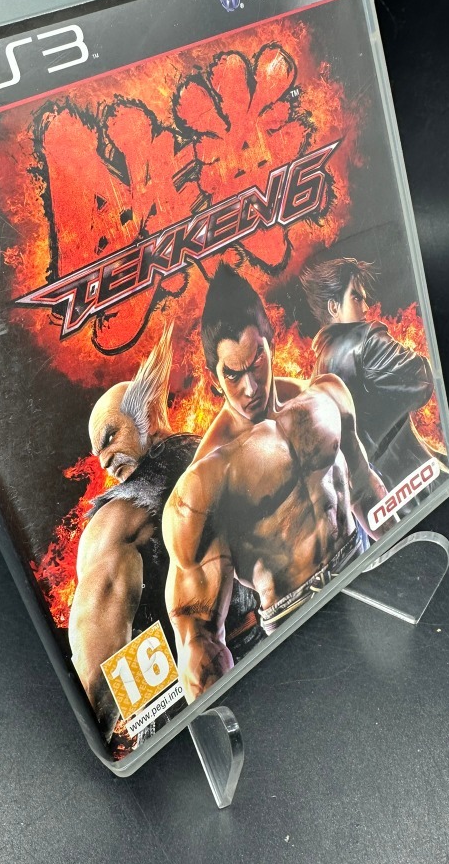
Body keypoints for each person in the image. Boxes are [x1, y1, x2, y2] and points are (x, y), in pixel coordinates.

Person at [163, 265, 388, 701]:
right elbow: (196, 632)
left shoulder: (325, 396)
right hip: (294, 621)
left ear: (271, 340)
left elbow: (366, 490)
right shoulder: (206, 481)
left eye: (256, 362)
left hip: (362, 569)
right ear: (214, 376)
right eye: (232, 374)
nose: (249, 387)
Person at [69, 324, 263, 739]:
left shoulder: (216, 460)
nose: (105, 461)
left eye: (110, 437)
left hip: (248, 664)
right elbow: (98, 665)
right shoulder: (123, 516)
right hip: (203, 699)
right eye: (98, 453)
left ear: (151, 415)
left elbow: (94, 686)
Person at [299, 256, 444, 489]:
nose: (366, 308)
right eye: (356, 298)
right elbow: (422, 380)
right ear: (334, 307)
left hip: (373, 495)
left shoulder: (316, 375)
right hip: (417, 480)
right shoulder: (365, 339)